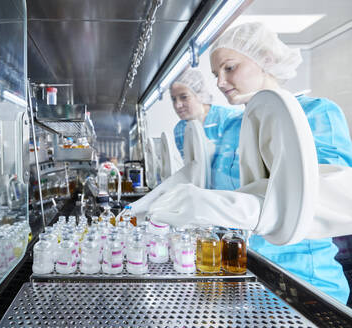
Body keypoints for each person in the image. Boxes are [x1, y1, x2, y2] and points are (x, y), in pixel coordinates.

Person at [141, 22, 352, 304]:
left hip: (302, 283)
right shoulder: (234, 126)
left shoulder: (316, 113)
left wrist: (234, 208)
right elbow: (202, 174)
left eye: (229, 68)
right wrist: (157, 200)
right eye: (216, 74)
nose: (219, 82)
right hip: (243, 269)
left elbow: (334, 194)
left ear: (266, 59)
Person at [171, 68, 243, 190]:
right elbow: (192, 168)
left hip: (232, 194)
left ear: (199, 94)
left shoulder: (229, 119)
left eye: (184, 97)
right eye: (174, 99)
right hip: (201, 194)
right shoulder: (179, 130)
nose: (178, 105)